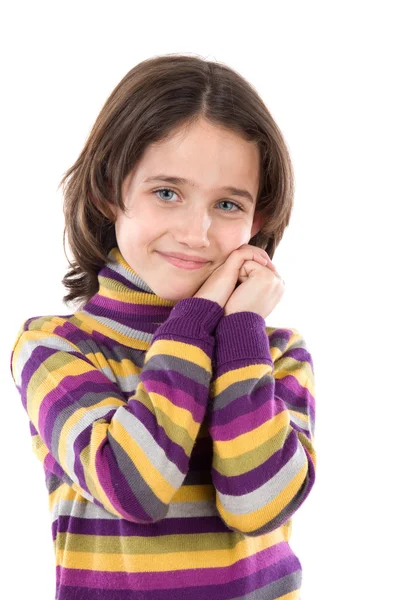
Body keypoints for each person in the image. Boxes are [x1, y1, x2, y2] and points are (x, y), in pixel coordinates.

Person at [9, 54, 316, 600]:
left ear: (257, 222)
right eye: (167, 193)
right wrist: (196, 321)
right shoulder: (54, 348)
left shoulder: (274, 353)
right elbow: (135, 487)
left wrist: (241, 326)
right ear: (110, 190)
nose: (196, 233)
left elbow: (259, 504)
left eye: (227, 204)